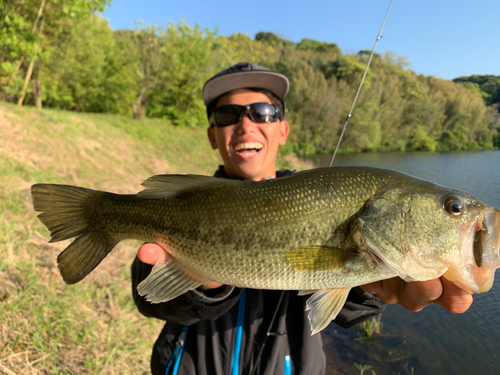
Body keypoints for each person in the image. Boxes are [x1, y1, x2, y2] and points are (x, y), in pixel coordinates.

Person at [131, 62, 473, 375]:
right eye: (228, 114)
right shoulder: (187, 204)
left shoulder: (329, 199)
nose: (246, 125)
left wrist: (368, 290)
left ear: (282, 130)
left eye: (263, 112)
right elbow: (148, 296)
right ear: (212, 135)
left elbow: (342, 308)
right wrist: (199, 278)